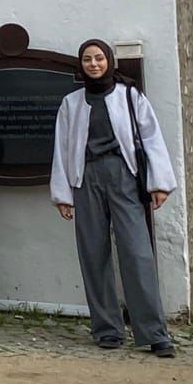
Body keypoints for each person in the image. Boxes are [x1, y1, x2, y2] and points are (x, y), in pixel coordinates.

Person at [51, 39, 177, 357]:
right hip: (85, 177)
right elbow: (62, 148)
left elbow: (151, 137)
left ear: (109, 61)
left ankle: (154, 332)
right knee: (93, 253)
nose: (93, 64)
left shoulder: (129, 95)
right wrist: (63, 193)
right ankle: (107, 328)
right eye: (87, 59)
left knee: (137, 253)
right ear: (80, 65)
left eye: (99, 58)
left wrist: (159, 183)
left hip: (123, 175)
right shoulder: (71, 103)